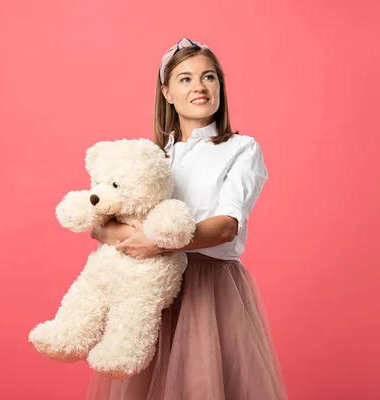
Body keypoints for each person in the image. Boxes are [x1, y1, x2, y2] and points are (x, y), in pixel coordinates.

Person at [86, 38, 288, 400]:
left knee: (203, 385)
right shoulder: (152, 157)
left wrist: (156, 241)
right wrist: (118, 233)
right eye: (185, 79)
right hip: (147, 290)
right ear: (167, 92)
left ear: (220, 87)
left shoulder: (241, 149)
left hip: (206, 290)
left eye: (209, 77)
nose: (199, 87)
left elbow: (227, 225)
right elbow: (100, 218)